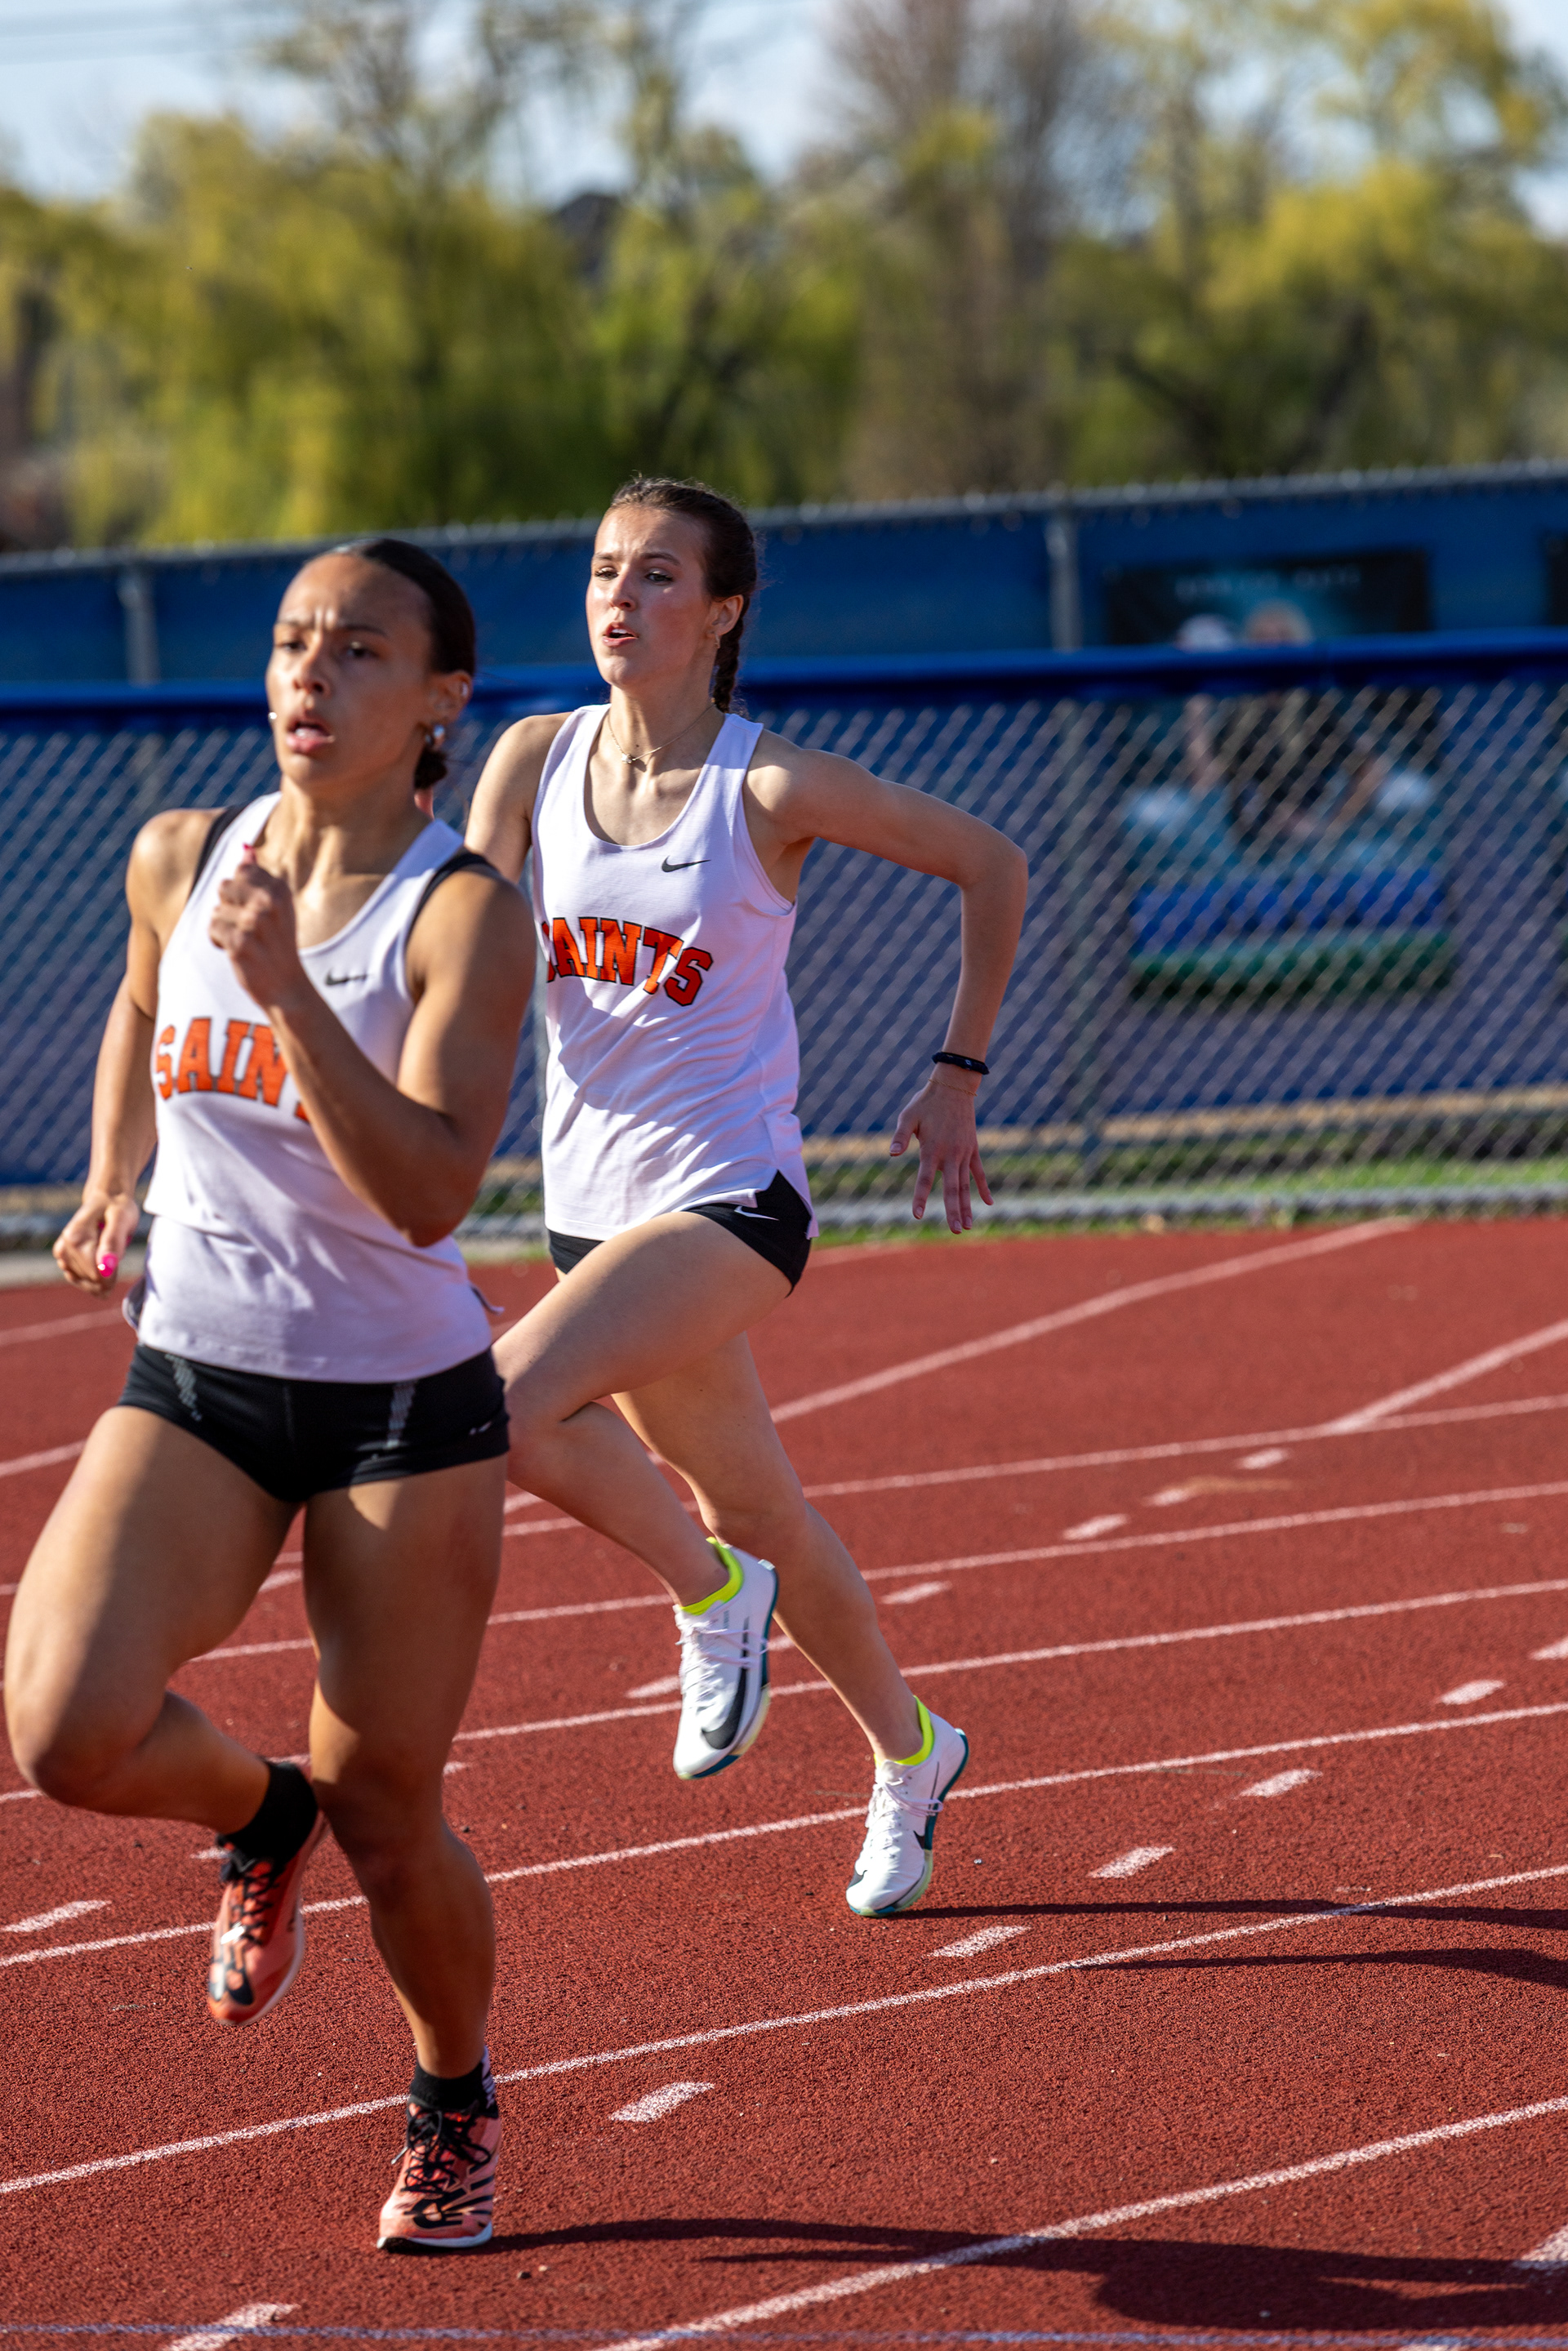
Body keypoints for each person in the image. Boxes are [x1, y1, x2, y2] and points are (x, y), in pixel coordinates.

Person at [4, 539, 532, 2253]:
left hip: (400, 1408)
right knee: (64, 1729)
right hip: (201, 1375)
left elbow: (430, 1191)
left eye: (360, 649)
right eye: (296, 642)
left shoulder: (463, 915)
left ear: (440, 696)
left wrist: (293, 986)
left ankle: (452, 2096)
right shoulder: (184, 853)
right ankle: (258, 1810)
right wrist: (114, 1172)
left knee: (393, 1812)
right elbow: (141, 997)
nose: (311, 673)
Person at [466, 475, 1028, 1919]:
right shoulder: (531, 761)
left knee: (499, 1409)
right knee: (760, 1508)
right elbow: (450, 953)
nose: (620, 597)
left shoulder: (767, 788)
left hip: (731, 1203)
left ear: (723, 613)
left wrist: (957, 1072)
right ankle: (913, 1749)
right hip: (591, 1211)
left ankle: (710, 1597)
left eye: (658, 575)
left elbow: (991, 863)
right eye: (605, 569)